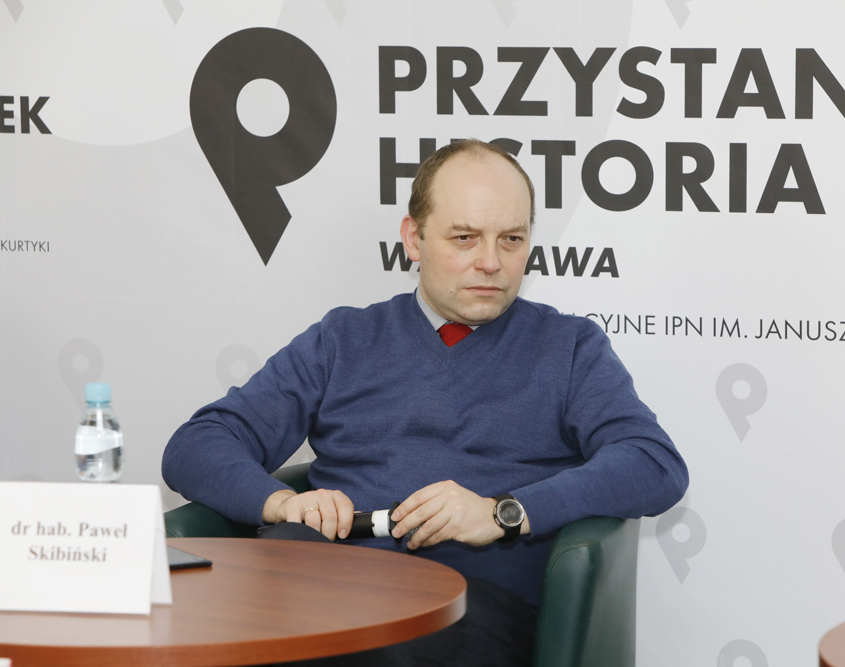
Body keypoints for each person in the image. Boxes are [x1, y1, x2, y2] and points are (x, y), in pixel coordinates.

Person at [162, 139, 688, 666]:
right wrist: (281, 503)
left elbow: (653, 463)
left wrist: (504, 512)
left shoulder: (569, 347)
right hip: (325, 582)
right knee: (242, 604)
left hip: (470, 608)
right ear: (414, 239)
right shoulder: (343, 339)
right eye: (464, 238)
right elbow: (197, 445)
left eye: (511, 239)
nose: (491, 263)